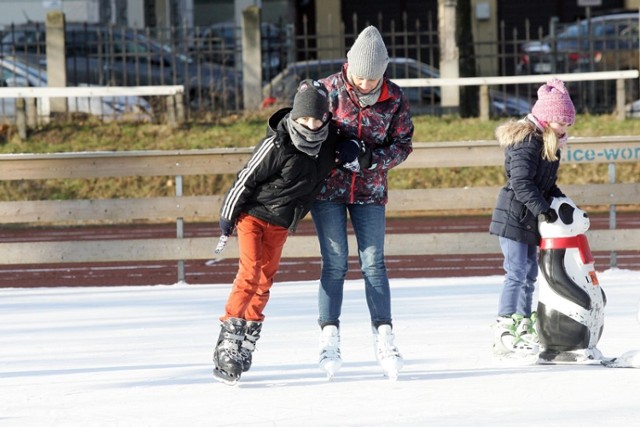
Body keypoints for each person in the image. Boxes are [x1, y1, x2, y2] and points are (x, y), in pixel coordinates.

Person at [212, 79, 360, 385]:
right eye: (304, 118)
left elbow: (352, 146)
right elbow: (246, 178)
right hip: (252, 216)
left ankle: (249, 335)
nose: (310, 124)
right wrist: (227, 217)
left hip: (280, 223)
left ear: (325, 118)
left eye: (316, 118)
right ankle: (230, 334)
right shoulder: (278, 143)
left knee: (265, 281)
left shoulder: (328, 141)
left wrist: (352, 147)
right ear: (294, 116)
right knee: (250, 273)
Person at [311, 25, 414, 380]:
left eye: (372, 79)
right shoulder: (327, 90)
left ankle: (384, 333)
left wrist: (371, 159)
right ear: (348, 66)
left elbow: (403, 144)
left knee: (373, 262)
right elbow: (303, 129)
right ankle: (329, 336)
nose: (365, 84)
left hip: (370, 192)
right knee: (335, 261)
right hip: (328, 191)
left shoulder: (395, 98)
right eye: (359, 77)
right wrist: (332, 148)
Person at [489, 78, 576, 359]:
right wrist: (543, 209)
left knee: (528, 274)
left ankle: (524, 323)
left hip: (529, 217)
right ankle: (505, 325)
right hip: (515, 216)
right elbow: (521, 182)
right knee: (516, 273)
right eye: (561, 122)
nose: (565, 128)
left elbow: (547, 185)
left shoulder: (549, 144)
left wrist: (563, 204)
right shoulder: (527, 141)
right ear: (548, 118)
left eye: (567, 124)